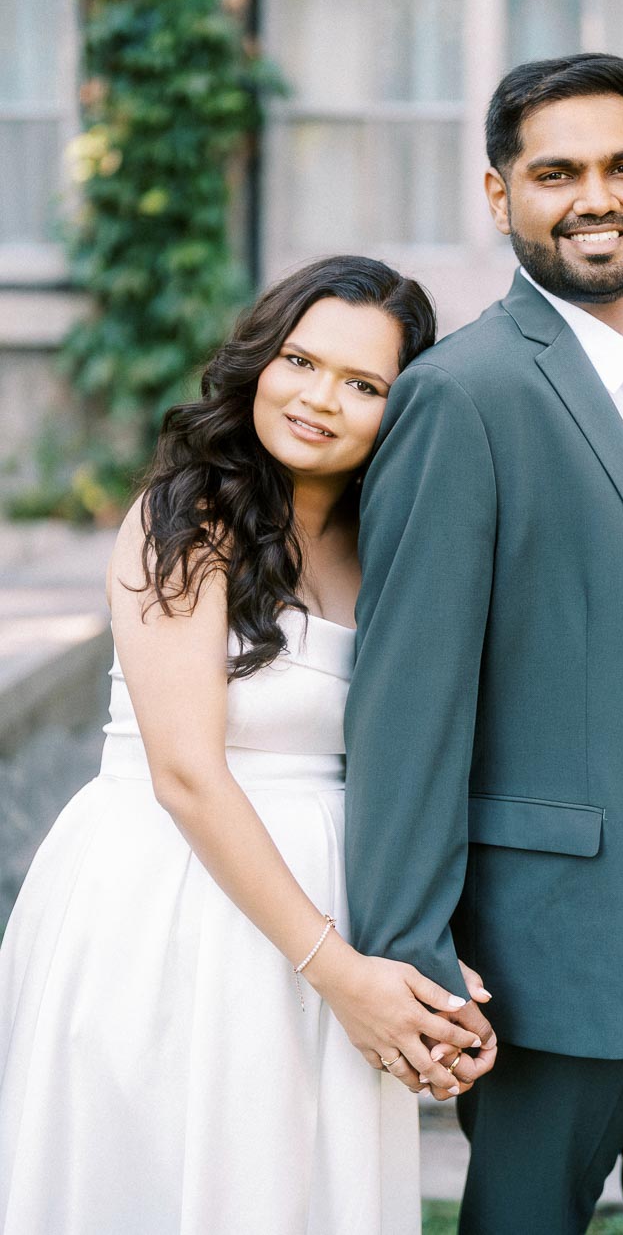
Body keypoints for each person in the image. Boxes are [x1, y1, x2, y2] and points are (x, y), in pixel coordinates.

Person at [344, 55, 623, 1234]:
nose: (596, 197)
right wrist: (405, 952)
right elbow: (412, 697)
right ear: (500, 197)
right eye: (556, 173)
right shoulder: (464, 396)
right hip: (564, 932)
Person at [0, 255, 496, 1235]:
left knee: (294, 1193)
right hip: (170, 905)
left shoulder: (386, 545)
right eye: (302, 361)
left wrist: (426, 943)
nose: (320, 399)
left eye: (363, 385)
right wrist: (343, 976)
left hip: (331, 913)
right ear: (260, 359)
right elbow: (186, 775)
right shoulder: (184, 521)